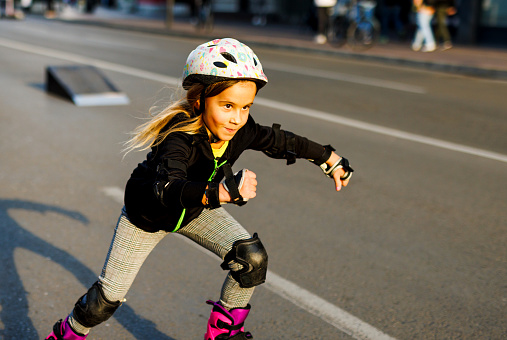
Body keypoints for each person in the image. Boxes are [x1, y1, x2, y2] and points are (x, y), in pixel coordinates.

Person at [45, 37, 354, 340]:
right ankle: (66, 334)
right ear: (199, 100)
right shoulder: (178, 136)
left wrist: (329, 158)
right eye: (227, 105)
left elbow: (283, 141)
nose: (236, 118)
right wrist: (219, 192)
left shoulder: (240, 130)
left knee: (251, 259)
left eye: (245, 107)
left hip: (193, 212)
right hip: (148, 216)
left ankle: (223, 334)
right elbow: (168, 187)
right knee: (104, 303)